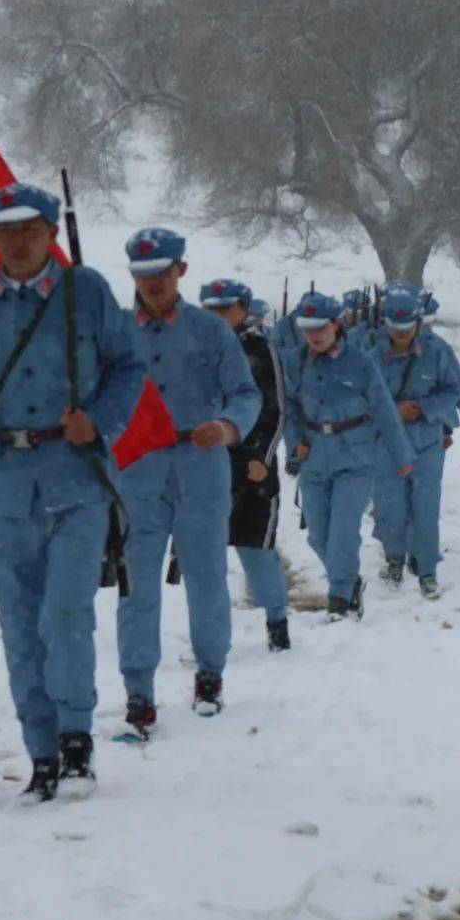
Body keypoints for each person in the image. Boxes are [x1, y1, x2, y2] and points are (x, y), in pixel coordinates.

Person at [0, 182, 146, 803]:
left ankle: (77, 740)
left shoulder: (88, 293)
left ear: (52, 233)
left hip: (74, 474)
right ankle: (41, 754)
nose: (17, 242)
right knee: (20, 624)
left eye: (29, 230)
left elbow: (128, 367)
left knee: (65, 612)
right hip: (5, 479)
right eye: (4, 231)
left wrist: (102, 419)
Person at [117, 229, 261, 733]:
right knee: (137, 584)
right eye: (142, 274)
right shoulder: (113, 331)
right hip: (137, 469)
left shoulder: (210, 330)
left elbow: (246, 393)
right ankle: (138, 690)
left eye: (161, 272)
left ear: (181, 270)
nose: (152, 283)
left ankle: (210, 675)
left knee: (204, 575)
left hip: (201, 465)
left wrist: (226, 427)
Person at [283, 293, 414, 620]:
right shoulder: (296, 361)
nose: (314, 335)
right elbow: (290, 410)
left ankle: (339, 600)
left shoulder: (360, 361)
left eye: (320, 328)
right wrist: (294, 445)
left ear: (336, 325)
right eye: (307, 329)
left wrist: (402, 455)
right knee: (317, 535)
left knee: (343, 531)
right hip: (314, 455)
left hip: (354, 456)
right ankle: (350, 580)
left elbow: (384, 408)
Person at [200, 277, 291, 652]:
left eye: (227, 308)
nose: (220, 316)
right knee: (205, 554)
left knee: (256, 549)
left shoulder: (259, 348)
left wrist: (262, 458)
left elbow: (276, 409)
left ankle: (277, 621)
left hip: (249, 463)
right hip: (204, 462)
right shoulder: (193, 348)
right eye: (212, 310)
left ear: (243, 309)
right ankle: (210, 635)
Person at [370, 283, 460, 601]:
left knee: (425, 507)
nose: (401, 335)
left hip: (426, 442)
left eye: (407, 328)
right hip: (387, 443)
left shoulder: (438, 352)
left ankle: (427, 571)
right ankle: (394, 559)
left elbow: (454, 390)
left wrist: (424, 409)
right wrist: (393, 409)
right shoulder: (369, 355)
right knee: (390, 506)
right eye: (395, 329)